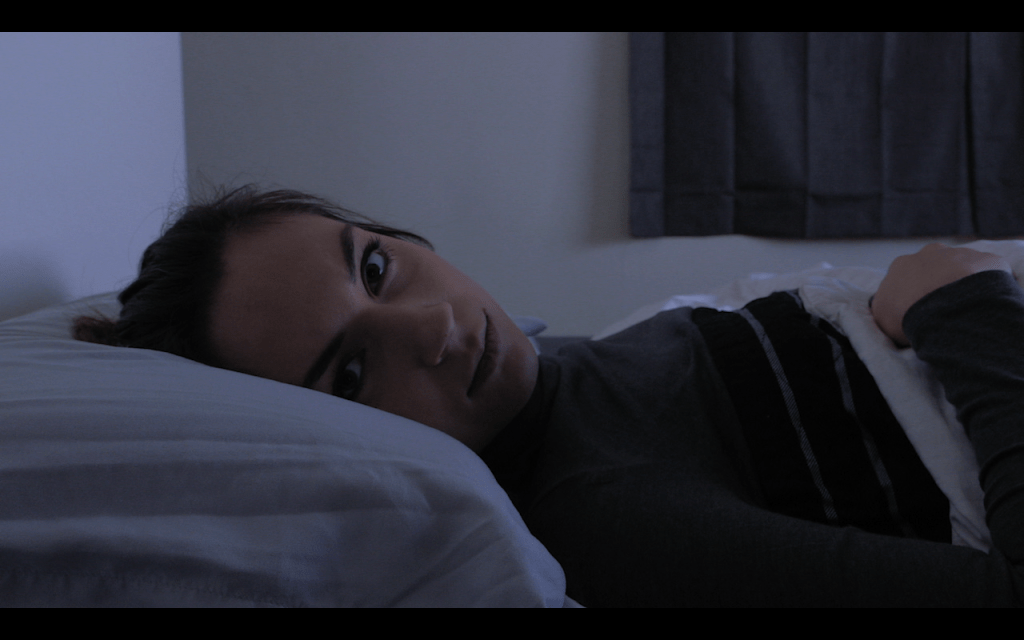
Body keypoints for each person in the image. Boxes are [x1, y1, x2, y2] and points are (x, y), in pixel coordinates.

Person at [74, 186, 1024, 606]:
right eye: (351, 374)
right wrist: (963, 305)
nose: (433, 327)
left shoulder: (558, 369)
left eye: (375, 268)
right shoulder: (610, 518)